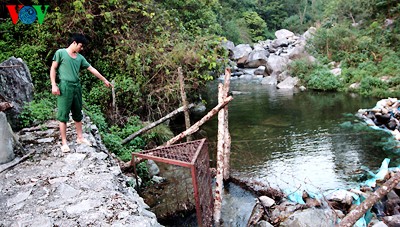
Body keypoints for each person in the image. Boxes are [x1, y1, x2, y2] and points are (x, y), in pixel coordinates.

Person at [50, 33, 112, 152]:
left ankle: (80, 137)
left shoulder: (79, 58)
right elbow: (53, 68)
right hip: (65, 86)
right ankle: (64, 143)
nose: (81, 48)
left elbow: (91, 68)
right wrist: (54, 85)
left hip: (76, 87)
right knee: (63, 115)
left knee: (78, 113)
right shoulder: (60, 53)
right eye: (80, 46)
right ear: (74, 43)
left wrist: (104, 79)